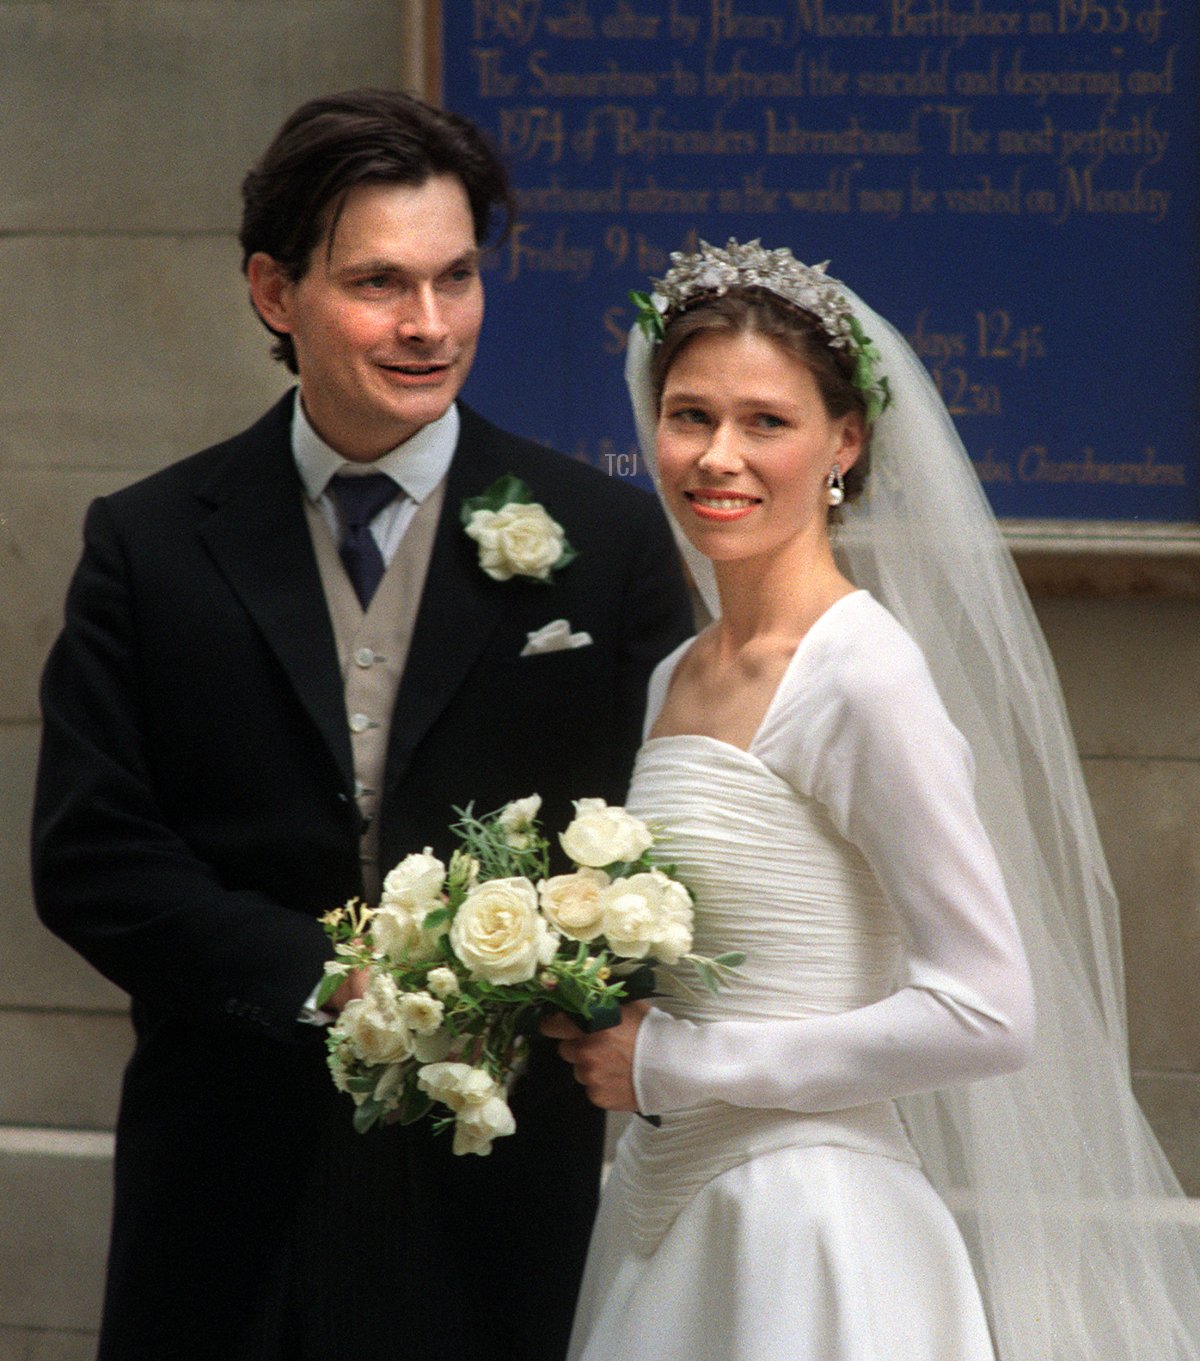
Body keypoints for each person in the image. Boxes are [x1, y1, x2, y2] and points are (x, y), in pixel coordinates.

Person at [31, 89, 692, 1361]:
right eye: (382, 282)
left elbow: (672, 834)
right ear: (276, 293)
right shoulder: (151, 543)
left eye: (456, 278)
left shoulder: (601, 544)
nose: (429, 325)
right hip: (226, 1178)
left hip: (504, 1185)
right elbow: (92, 854)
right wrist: (333, 984)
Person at [543, 240, 1200, 1360]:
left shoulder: (860, 672)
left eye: (766, 422)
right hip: (669, 1203)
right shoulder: (678, 672)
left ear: (843, 442)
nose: (717, 455)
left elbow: (988, 1010)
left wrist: (678, 1064)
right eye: (689, 414)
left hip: (810, 1226)